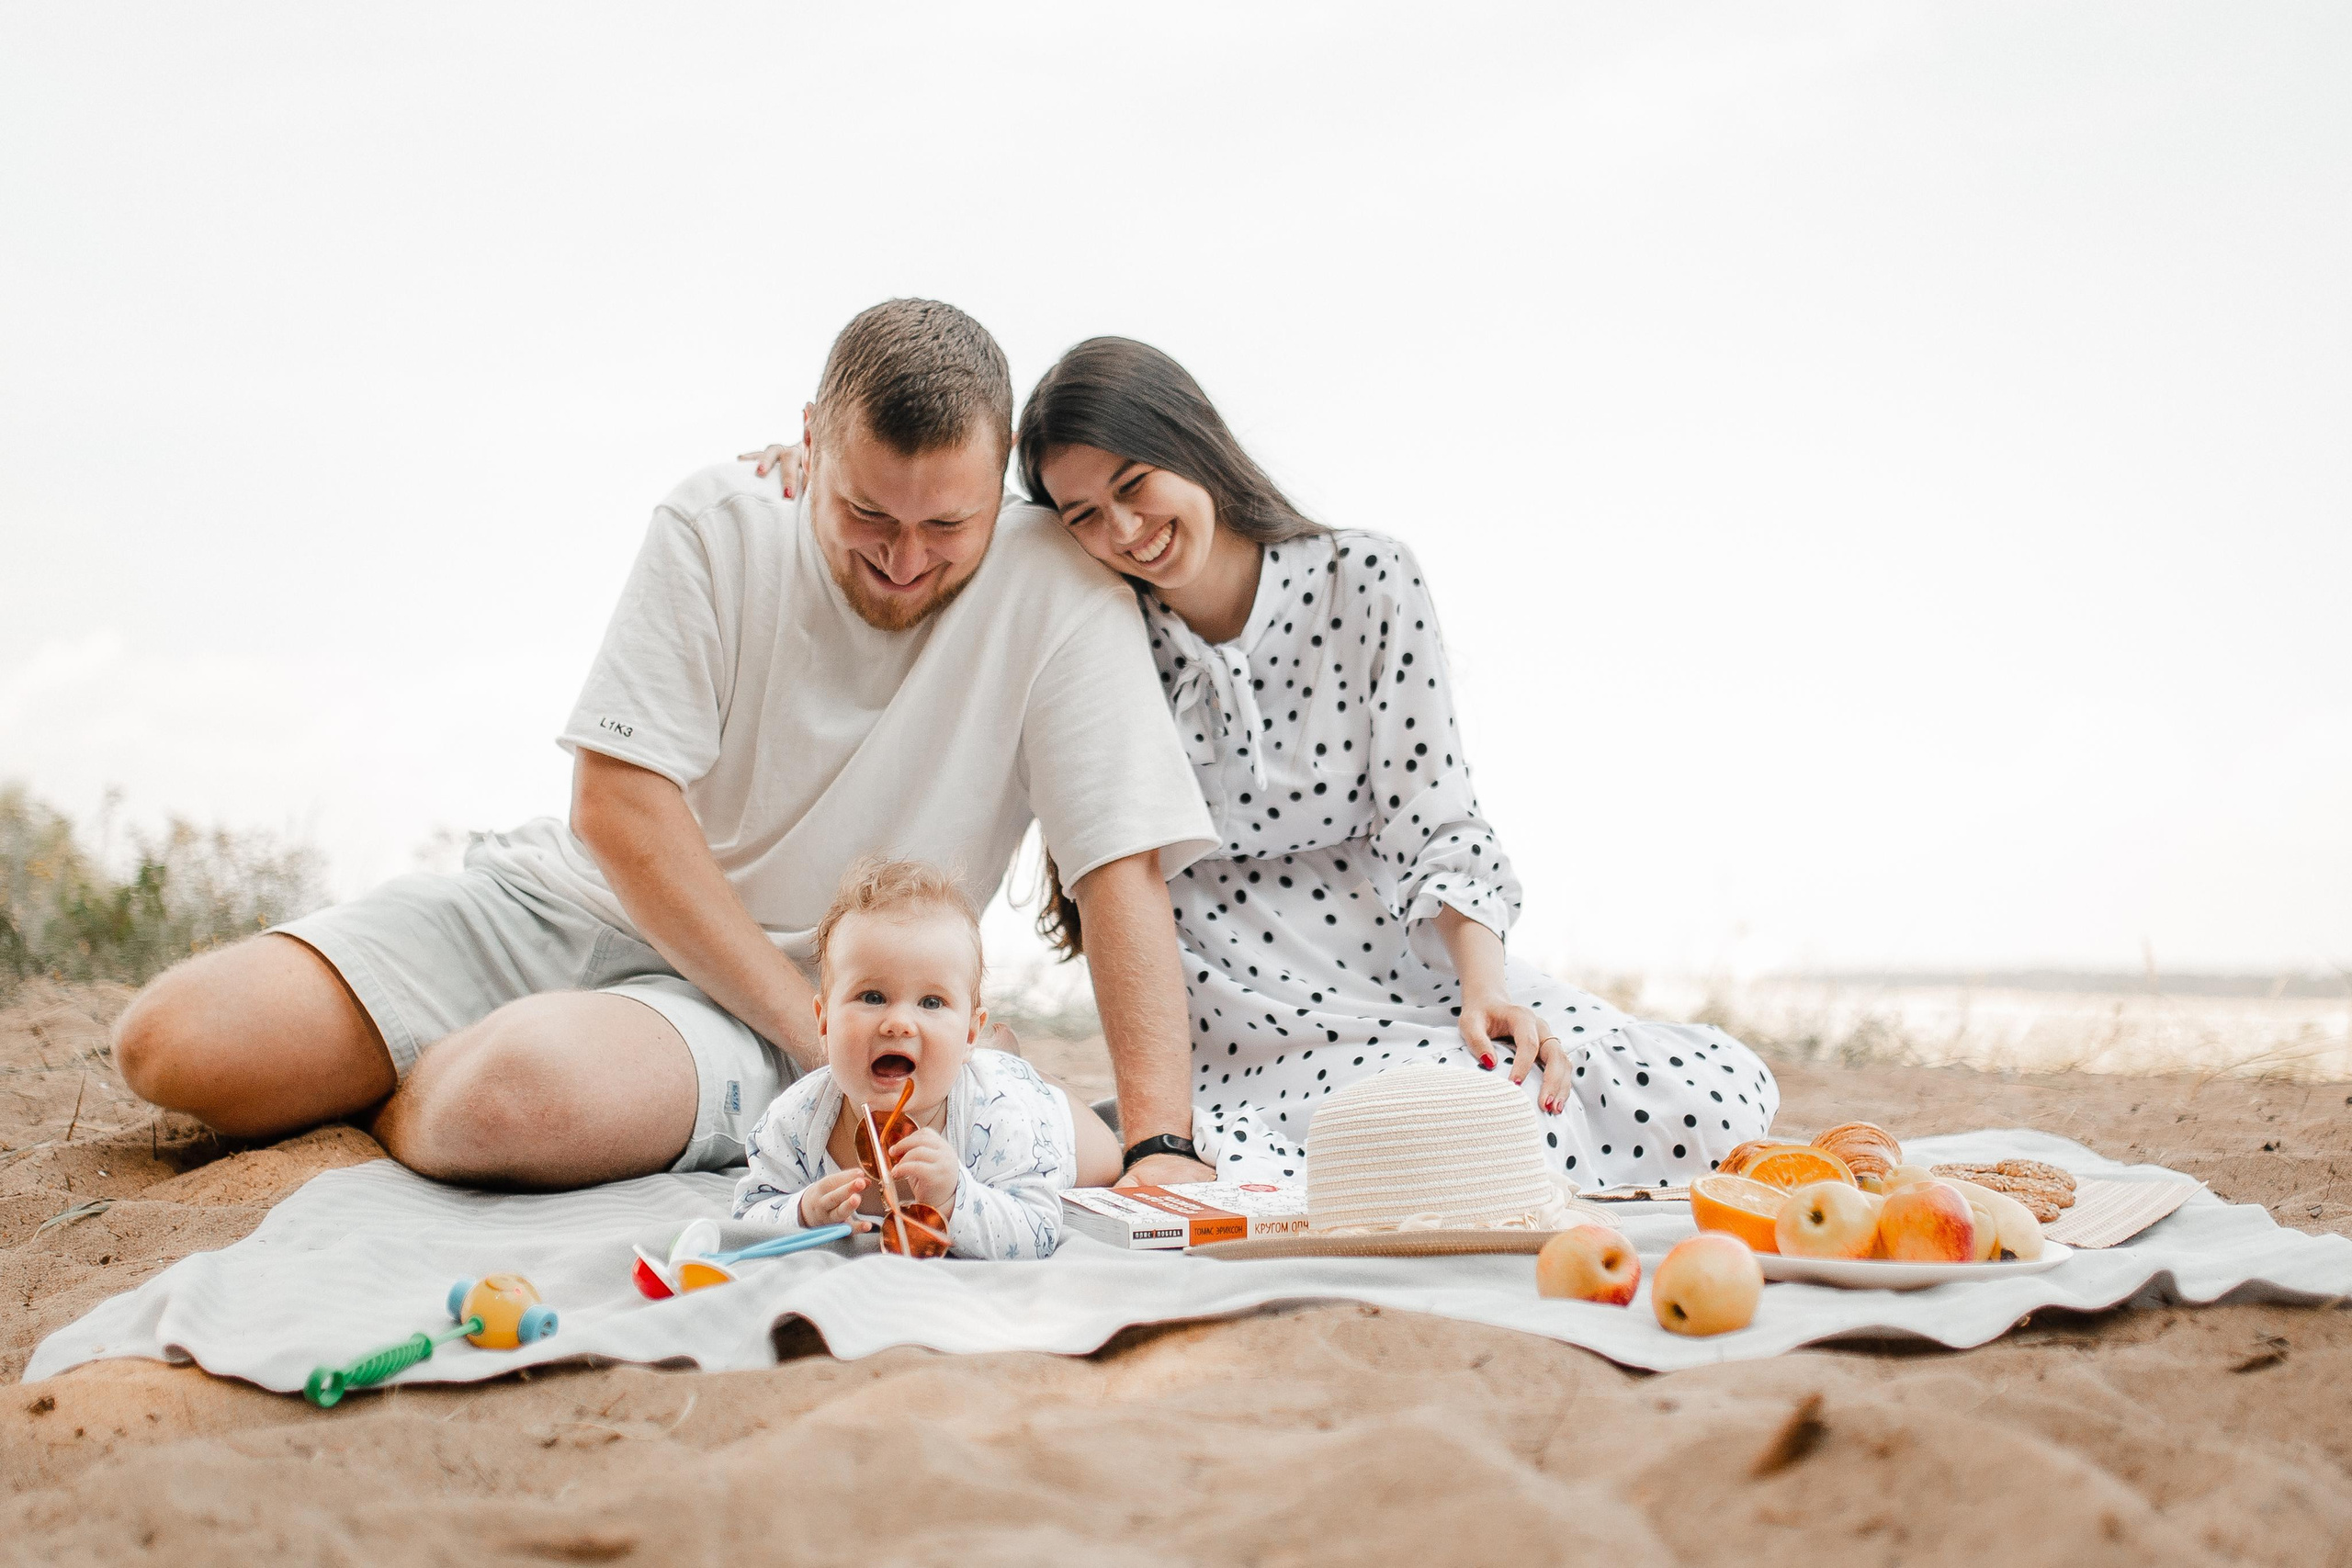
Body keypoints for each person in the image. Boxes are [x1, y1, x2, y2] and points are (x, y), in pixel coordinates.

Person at [109, 301, 1222, 1191]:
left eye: (947, 527)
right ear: (809, 442)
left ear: (1002, 488)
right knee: (174, 1047)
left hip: (777, 993)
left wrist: (1161, 1142)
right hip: (579, 905)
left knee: (513, 1099)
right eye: (867, 516)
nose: (902, 559)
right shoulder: (719, 519)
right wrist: (815, 1037)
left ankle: (418, 1083)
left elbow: (1116, 867)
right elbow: (618, 806)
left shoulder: (1060, 589)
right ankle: (415, 1045)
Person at [751, 336, 1780, 1189]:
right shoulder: (1092, 622)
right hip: (1235, 1003)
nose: (1124, 530)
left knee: (1666, 1095)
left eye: (1134, 486)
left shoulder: (1367, 580)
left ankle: (1019, 1088)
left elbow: (1437, 809)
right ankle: (1025, 1094)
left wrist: (1485, 985)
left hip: (1398, 957)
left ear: (1193, 446)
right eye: (1083, 516)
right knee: (1415, 1139)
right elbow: (934, 522)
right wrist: (814, 476)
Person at [733, 857, 1075, 1259]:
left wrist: (954, 1198)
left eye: (931, 1002)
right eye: (872, 997)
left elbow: (1037, 1231)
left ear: (968, 1032)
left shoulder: (999, 1116)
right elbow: (748, 1214)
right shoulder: (796, 1120)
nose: (898, 1024)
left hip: (1038, 1108)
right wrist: (802, 1212)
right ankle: (992, 1048)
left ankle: (1003, 1061)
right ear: (824, 1023)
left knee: (1101, 1159)